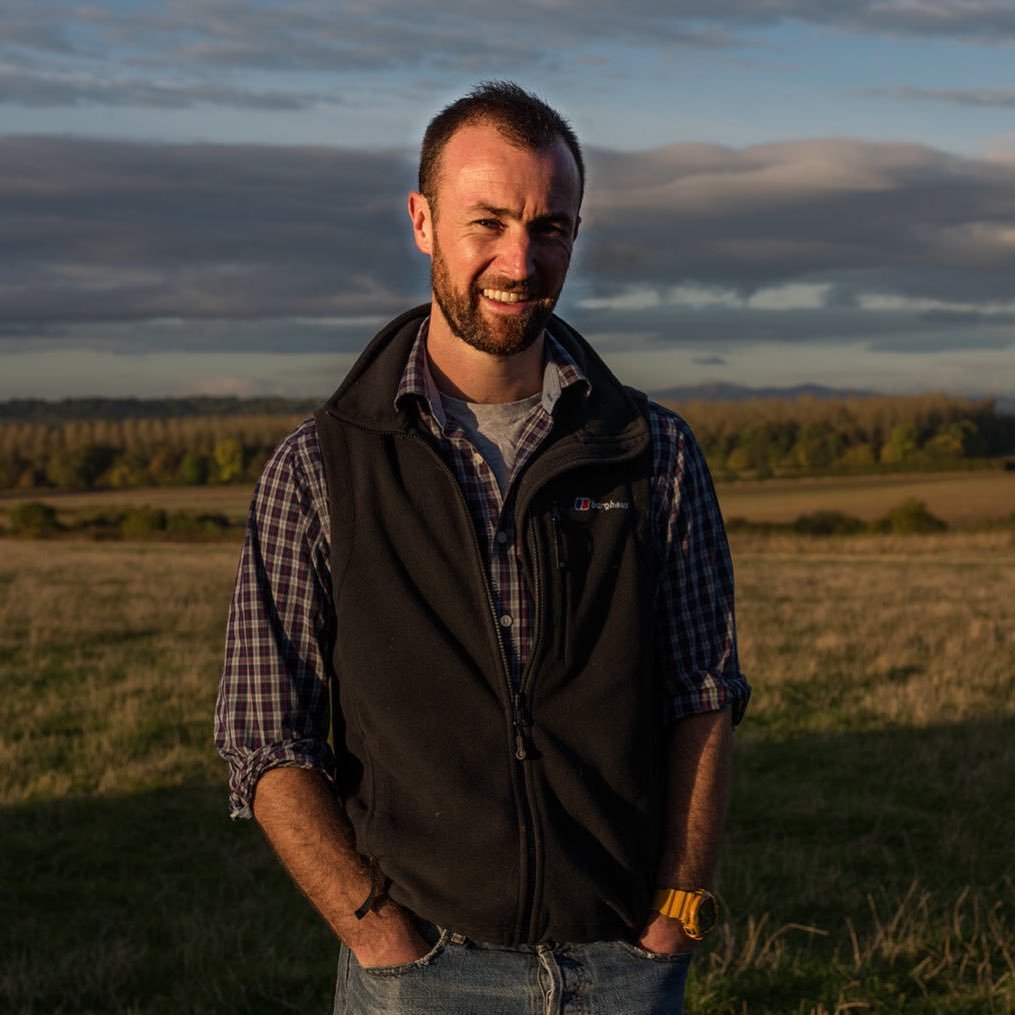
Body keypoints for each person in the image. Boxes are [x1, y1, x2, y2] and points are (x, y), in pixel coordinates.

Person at [215, 80, 750, 1015]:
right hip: (421, 975)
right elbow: (266, 739)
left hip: (624, 963)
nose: (519, 259)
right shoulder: (317, 470)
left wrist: (676, 906)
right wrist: (377, 931)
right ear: (422, 220)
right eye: (487, 222)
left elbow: (699, 696)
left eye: (551, 228)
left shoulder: (654, 452)